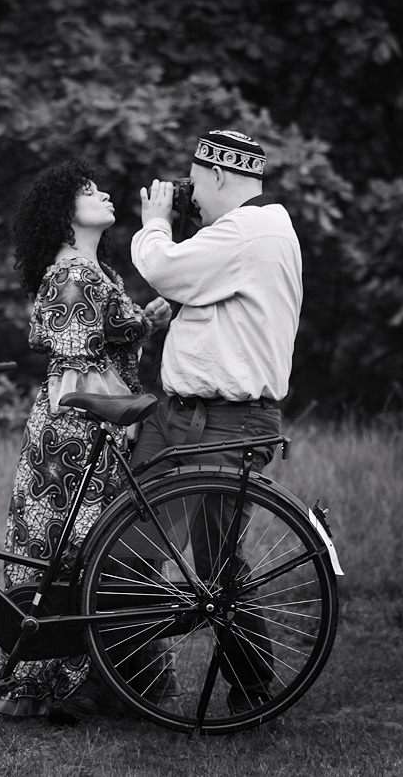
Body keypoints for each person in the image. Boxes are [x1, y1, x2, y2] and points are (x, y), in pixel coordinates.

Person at [0, 159, 170, 724]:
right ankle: (52, 683)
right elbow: (78, 363)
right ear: (65, 212)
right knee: (64, 551)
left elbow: (100, 338)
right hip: (75, 435)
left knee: (76, 552)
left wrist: (143, 322)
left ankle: (75, 681)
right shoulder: (73, 273)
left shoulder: (93, 272)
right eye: (90, 191)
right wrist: (121, 414)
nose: (106, 195)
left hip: (85, 430)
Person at [129, 129, 303, 714]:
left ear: (221, 176)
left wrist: (156, 221)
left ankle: (232, 692)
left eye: (195, 183)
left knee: (174, 558)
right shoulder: (266, 229)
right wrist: (185, 304)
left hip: (218, 422)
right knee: (189, 557)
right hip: (197, 415)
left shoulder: (243, 231)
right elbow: (235, 303)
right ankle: (138, 678)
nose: (191, 197)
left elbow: (162, 265)